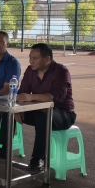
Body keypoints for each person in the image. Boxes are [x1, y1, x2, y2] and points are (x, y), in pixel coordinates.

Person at [15, 43, 76, 172]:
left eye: (35, 58)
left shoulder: (61, 71)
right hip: (39, 111)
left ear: (47, 59)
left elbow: (56, 97)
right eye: (30, 58)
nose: (31, 61)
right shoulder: (30, 70)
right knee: (9, 111)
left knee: (43, 115)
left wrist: (31, 97)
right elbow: (22, 93)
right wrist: (17, 110)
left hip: (63, 114)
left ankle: (38, 159)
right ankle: (2, 149)